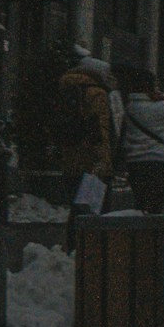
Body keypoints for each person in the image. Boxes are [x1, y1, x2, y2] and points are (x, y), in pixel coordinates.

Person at [54, 51, 118, 252]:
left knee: (78, 209)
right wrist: (104, 162)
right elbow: (100, 130)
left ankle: (74, 249)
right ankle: (91, 252)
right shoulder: (95, 93)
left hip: (71, 158)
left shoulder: (66, 89)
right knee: (95, 211)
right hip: (92, 162)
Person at [117, 66, 164, 214]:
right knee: (155, 207)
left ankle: (141, 233)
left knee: (141, 204)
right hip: (157, 162)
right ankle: (153, 235)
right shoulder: (156, 109)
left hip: (134, 164)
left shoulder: (130, 107)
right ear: (148, 87)